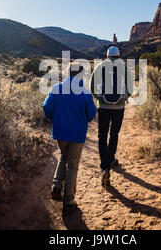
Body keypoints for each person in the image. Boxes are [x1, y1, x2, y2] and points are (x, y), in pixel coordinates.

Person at [42, 62, 96, 214]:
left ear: (68, 73)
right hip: (77, 134)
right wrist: (82, 118)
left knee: (63, 156)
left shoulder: (56, 88)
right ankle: (68, 201)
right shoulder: (85, 92)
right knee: (72, 165)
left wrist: (56, 118)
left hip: (60, 132)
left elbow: (46, 107)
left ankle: (56, 186)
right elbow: (91, 114)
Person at [90, 46, 133, 188]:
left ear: (107, 56)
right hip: (119, 108)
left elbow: (92, 87)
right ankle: (111, 158)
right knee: (114, 134)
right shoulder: (125, 68)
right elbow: (131, 89)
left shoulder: (99, 66)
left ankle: (105, 167)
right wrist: (123, 98)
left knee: (102, 136)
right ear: (119, 56)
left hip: (103, 107)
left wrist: (100, 98)